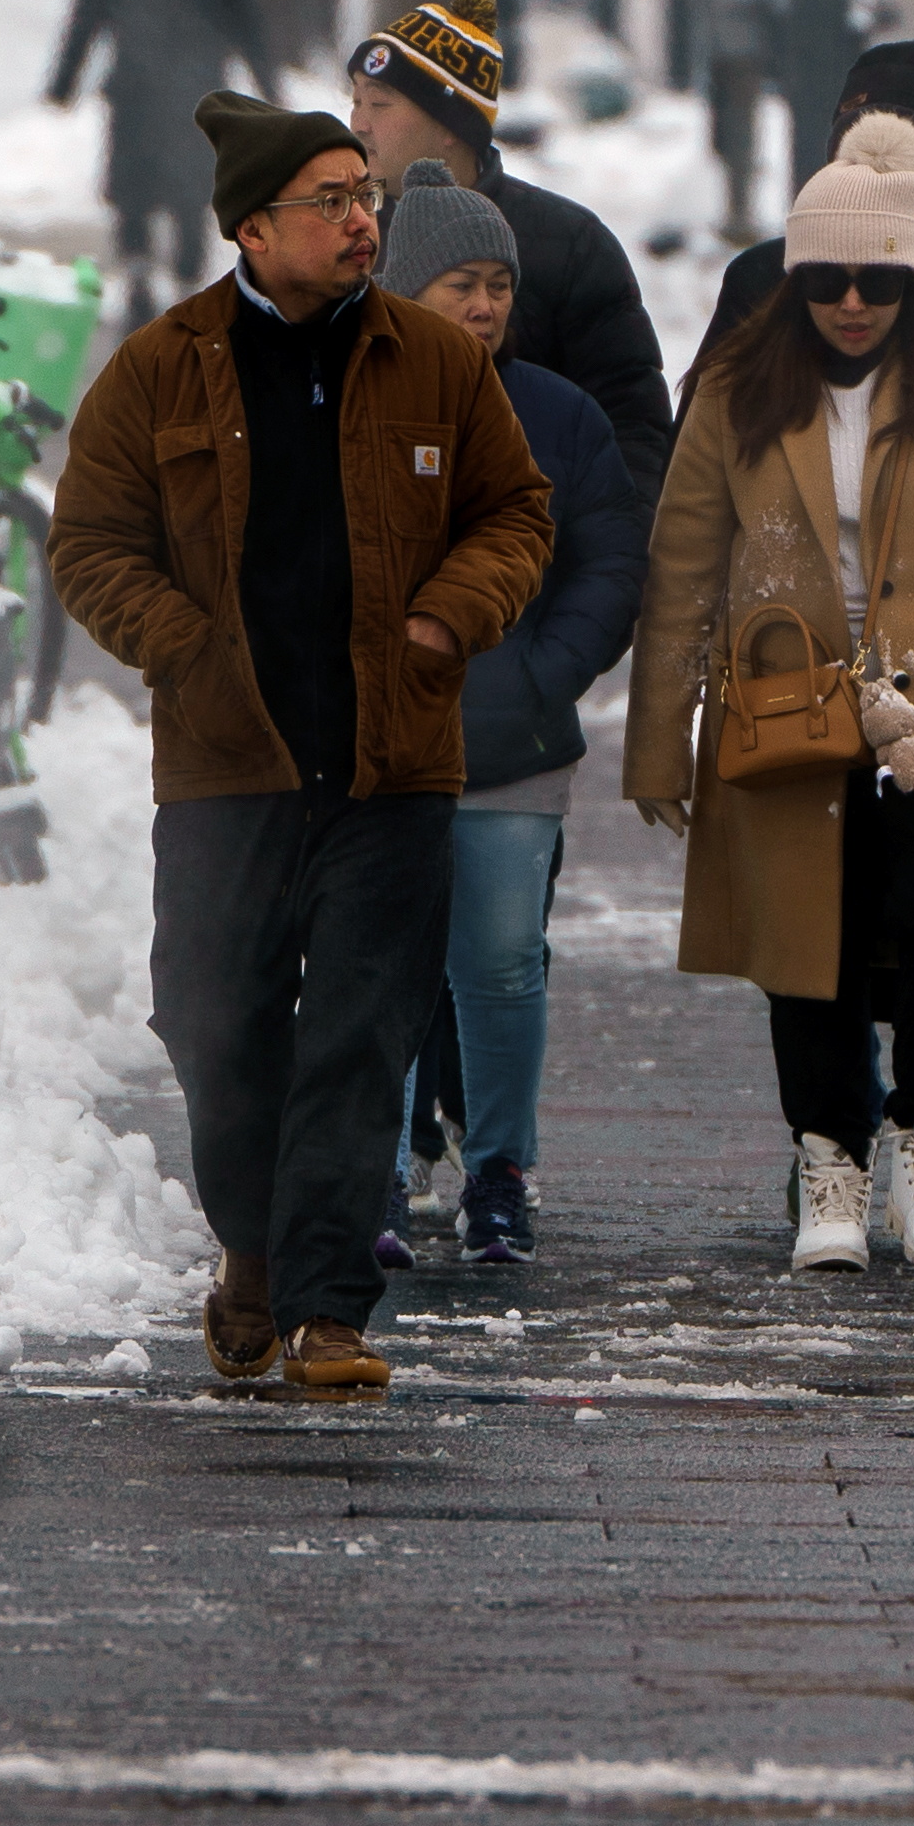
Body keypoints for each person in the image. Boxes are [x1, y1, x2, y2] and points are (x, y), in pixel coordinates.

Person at [48, 97, 555, 1396]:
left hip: (390, 764)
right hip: (227, 764)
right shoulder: (160, 366)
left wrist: (453, 611)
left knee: (354, 1032)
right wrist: (176, 636)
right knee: (212, 1022)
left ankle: (331, 1307)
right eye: (328, 200)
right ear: (251, 227)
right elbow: (89, 541)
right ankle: (253, 1253)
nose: (357, 219)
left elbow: (516, 509)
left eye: (362, 195)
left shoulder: (432, 360)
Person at [626, 135, 914, 1274]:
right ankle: (829, 1164)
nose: (851, 304)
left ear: (908, 279)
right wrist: (656, 746)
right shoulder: (739, 391)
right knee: (811, 943)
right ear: (793, 282)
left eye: (878, 281)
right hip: (787, 713)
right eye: (828, 281)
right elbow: (681, 568)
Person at [372, 159, 645, 1267]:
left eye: (496, 283)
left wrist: (544, 671)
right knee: (373, 963)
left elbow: (606, 566)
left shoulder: (558, 416)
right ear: (402, 291)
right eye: (458, 285)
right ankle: (375, 1170)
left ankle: (496, 1172)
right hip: (376, 743)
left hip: (511, 745)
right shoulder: (346, 402)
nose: (483, 304)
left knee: (497, 964)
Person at [345, 0, 675, 505]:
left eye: (380, 104)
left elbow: (633, 426)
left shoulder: (567, 244)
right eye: (356, 100)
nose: (358, 123)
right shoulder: (345, 237)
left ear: (452, 128)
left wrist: (605, 562)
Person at [50, 0, 274, 316]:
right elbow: (248, 23)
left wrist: (63, 83)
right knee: (193, 188)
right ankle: (188, 281)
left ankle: (137, 275)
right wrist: (268, 84)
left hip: (133, 88)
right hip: (198, 93)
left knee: (133, 185)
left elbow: (85, 17)